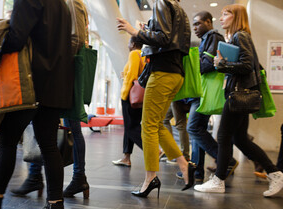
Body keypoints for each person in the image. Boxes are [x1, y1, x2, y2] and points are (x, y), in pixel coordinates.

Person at [0, 0, 73, 209]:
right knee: (49, 145)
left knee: (8, 141)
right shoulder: (62, 4)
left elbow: (16, 39)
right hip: (57, 84)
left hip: (28, 83)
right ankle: (55, 207)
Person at [194, 4, 283, 197]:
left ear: (236, 17)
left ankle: (218, 181)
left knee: (224, 137)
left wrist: (221, 64)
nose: (221, 19)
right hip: (242, 94)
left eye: (225, 14)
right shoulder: (239, 37)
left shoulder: (240, 36)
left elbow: (245, 65)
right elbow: (252, 65)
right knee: (239, 139)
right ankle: (275, 173)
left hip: (238, 94)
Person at [10, 0, 90, 200]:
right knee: (44, 126)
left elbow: (77, 38)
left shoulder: (70, 2)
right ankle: (36, 175)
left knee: (70, 125)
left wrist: (55, 59)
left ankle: (78, 177)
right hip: (60, 68)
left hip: (63, 68)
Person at [117, 0, 195, 198]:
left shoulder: (162, 2)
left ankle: (150, 177)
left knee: (148, 125)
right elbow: (168, 38)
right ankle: (184, 164)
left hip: (162, 72)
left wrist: (134, 31)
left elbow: (163, 38)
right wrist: (148, 29)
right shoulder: (180, 11)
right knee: (157, 123)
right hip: (175, 73)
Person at [184, 11, 237, 182]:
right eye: (194, 25)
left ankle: (226, 160)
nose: (195, 28)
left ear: (208, 21)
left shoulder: (213, 36)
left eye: (198, 23)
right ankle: (197, 171)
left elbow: (208, 64)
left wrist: (192, 66)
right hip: (202, 91)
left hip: (205, 91)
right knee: (198, 130)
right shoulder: (208, 39)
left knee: (193, 128)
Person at [112, 36, 145, 167]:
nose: (128, 45)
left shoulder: (134, 54)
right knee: (131, 125)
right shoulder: (144, 54)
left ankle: (153, 150)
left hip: (130, 96)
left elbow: (132, 75)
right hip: (139, 96)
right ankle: (126, 157)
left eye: (129, 42)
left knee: (131, 127)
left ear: (133, 43)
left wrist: (124, 95)